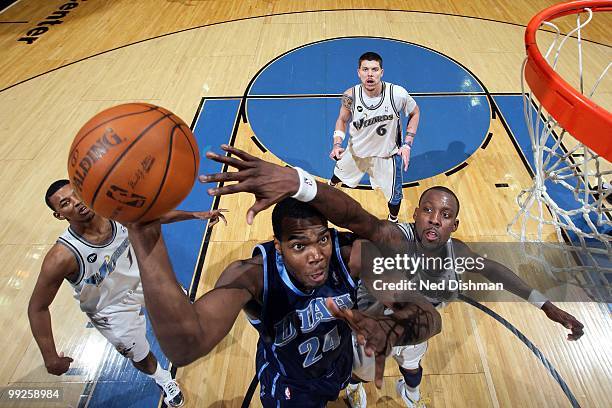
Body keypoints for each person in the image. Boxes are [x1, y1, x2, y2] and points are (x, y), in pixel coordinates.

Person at [200, 145, 585, 408]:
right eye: (428, 211)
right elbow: (354, 218)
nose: (435, 218)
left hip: (409, 329)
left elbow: (498, 271)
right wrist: (303, 184)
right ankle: (352, 387)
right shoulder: (392, 237)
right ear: (414, 214)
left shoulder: (457, 254)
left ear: (455, 224)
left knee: (412, 366)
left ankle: (409, 394)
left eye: (445, 214)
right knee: (352, 370)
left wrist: (545, 304)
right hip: (363, 329)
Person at [126, 197, 442, 407]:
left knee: (350, 374)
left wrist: (394, 330)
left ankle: (349, 387)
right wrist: (145, 236)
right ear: (278, 246)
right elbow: (184, 346)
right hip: (291, 386)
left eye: (321, 239)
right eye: (299, 245)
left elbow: (428, 313)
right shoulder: (253, 277)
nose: (316, 254)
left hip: (338, 361)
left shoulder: (348, 255)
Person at [28, 179, 226, 408]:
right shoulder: (61, 257)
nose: (77, 202)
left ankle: (182, 315)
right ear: (59, 215)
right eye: (65, 203)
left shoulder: (113, 211)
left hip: (143, 278)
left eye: (77, 194)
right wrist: (50, 357)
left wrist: (195, 215)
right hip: (110, 308)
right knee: (140, 355)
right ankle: (163, 378)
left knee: (181, 306)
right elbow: (37, 308)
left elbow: (153, 217)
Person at [328, 52, 420, 223]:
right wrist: (336, 143)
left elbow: (415, 113)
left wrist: (407, 144)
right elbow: (342, 119)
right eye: (365, 69)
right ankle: (326, 193)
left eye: (374, 69)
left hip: (386, 156)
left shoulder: (397, 94)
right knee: (337, 175)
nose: (370, 74)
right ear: (359, 72)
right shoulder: (350, 95)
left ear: (381, 72)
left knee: (394, 196)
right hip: (356, 152)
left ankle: (392, 221)